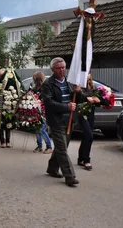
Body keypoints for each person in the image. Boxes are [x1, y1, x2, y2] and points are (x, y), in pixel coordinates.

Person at [41, 57, 90, 187]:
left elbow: (78, 99)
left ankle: (52, 168)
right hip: (56, 120)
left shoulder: (69, 82)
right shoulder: (48, 84)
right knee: (62, 149)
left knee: (61, 146)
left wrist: (78, 91)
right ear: (53, 69)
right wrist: (66, 107)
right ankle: (70, 176)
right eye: (59, 68)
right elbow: (49, 103)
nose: (62, 70)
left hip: (69, 120)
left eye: (63, 67)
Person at [77, 73, 96, 170]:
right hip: (82, 114)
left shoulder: (92, 86)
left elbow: (97, 98)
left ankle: (80, 158)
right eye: (85, 72)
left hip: (91, 114)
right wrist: (86, 97)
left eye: (88, 72)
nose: (87, 74)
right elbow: (78, 97)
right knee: (89, 136)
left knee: (85, 137)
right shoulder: (78, 86)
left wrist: (99, 100)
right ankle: (86, 160)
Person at [31, 71, 53, 154]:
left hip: (43, 111)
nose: (33, 80)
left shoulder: (45, 87)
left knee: (42, 129)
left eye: (34, 78)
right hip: (36, 110)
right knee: (37, 129)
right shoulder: (35, 87)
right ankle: (39, 146)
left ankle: (49, 146)